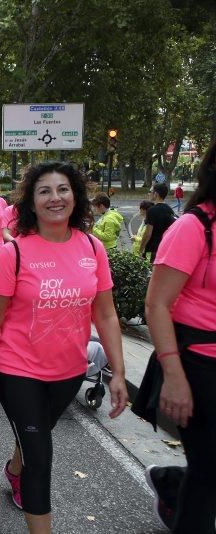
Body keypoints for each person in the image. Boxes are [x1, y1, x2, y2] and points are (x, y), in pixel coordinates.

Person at [0, 161, 128, 534]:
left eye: (62, 189)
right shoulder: (15, 253)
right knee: (41, 457)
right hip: (18, 370)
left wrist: (118, 371)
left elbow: (105, 315)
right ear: (32, 203)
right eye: (44, 191)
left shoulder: (92, 248)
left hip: (69, 372)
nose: (55, 198)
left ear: (75, 196)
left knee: (35, 435)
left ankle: (14, 468)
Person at [144, 138, 216, 533]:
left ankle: (172, 482)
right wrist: (173, 375)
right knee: (208, 475)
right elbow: (156, 305)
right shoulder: (193, 227)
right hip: (198, 364)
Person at [140, 182, 176, 261]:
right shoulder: (170, 210)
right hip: (165, 249)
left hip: (152, 250)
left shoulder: (152, 210)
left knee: (149, 272)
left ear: (155, 194)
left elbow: (148, 234)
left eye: (150, 191)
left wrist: (140, 250)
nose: (148, 193)